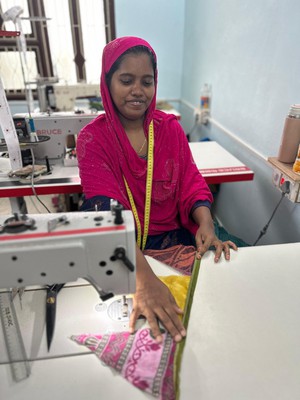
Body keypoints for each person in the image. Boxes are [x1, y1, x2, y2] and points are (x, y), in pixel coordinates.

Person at [77, 36, 237, 343]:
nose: (138, 90)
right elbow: (106, 215)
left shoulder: (170, 129)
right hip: (124, 251)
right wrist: (144, 280)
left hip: (177, 239)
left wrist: (205, 222)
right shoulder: (93, 140)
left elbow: (191, 181)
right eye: (126, 80)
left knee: (221, 307)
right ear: (107, 82)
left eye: (146, 81)